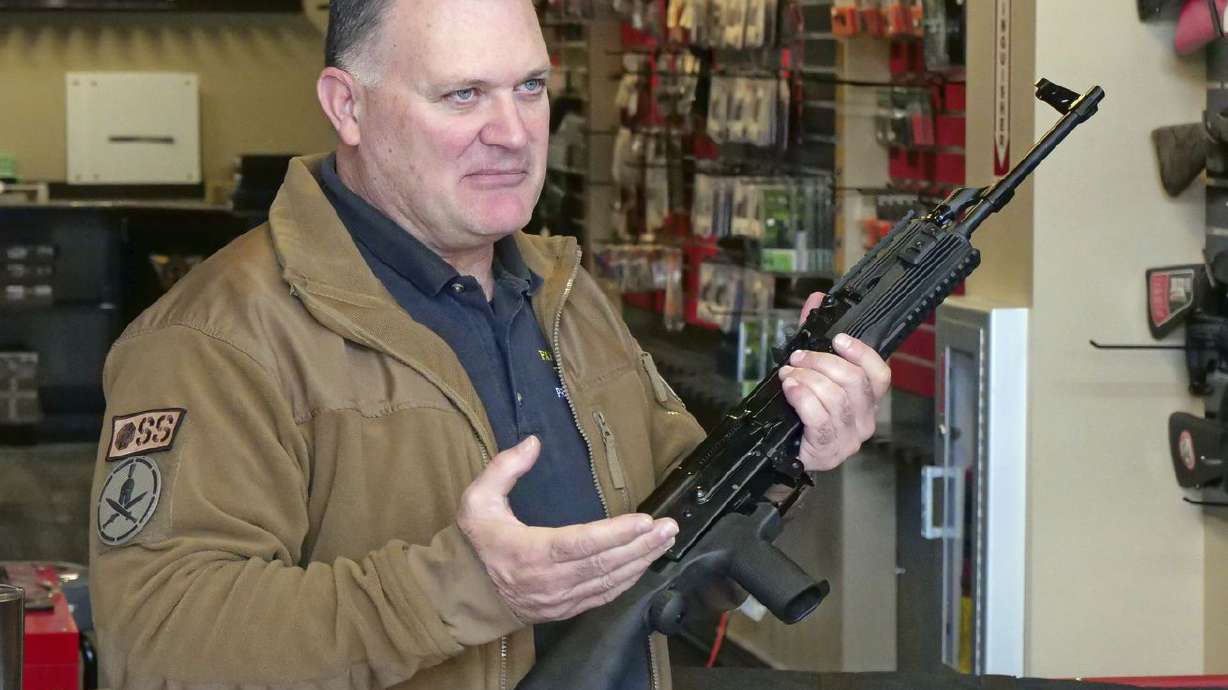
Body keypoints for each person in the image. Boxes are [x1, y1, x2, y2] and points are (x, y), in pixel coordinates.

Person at [87, 1, 891, 689]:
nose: (511, 133)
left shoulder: (564, 291)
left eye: (530, 87)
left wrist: (794, 444)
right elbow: (158, 643)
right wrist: (464, 587)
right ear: (347, 106)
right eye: (462, 94)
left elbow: (676, 528)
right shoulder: (215, 339)